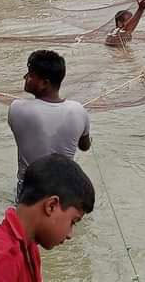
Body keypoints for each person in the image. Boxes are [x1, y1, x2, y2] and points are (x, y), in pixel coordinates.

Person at [7, 49, 91, 198]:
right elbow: (84, 146)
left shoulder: (17, 108)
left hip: (30, 192)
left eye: (31, 75)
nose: (25, 77)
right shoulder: (78, 110)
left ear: (44, 83)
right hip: (65, 192)